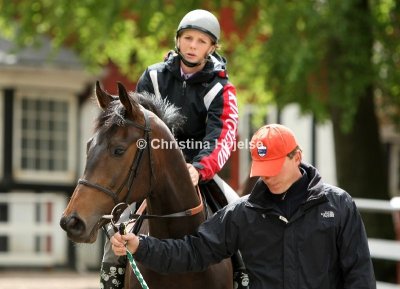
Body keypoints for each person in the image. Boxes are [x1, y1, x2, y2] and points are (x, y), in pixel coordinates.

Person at [111, 123, 377, 289]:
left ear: (297, 157)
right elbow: (193, 251)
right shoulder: (243, 213)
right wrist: (141, 245)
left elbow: (359, 274)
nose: (266, 176)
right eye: (262, 169)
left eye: (273, 167)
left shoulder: (339, 205)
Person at [100, 9, 243, 289]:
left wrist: (199, 169)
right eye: (188, 38)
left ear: (212, 48)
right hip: (154, 172)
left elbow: (223, 136)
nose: (193, 45)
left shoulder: (222, 89)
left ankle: (243, 274)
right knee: (122, 224)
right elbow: (134, 126)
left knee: (237, 211)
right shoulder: (153, 77)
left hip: (199, 171)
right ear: (177, 40)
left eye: (202, 41)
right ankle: (112, 276)